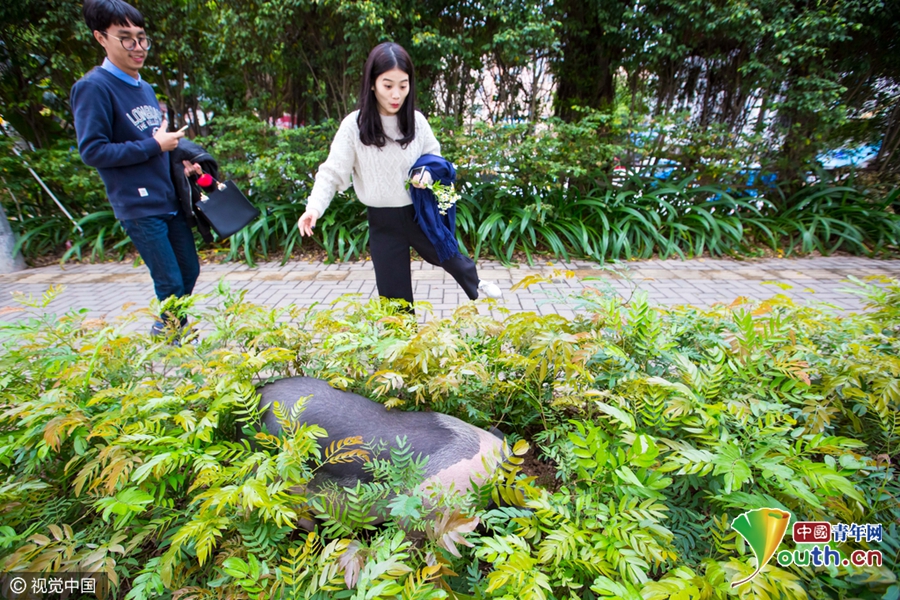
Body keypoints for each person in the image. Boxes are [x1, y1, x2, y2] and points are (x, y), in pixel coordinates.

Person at [296, 42, 502, 309]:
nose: (396, 94)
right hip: (382, 222)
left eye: (403, 86)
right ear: (372, 83)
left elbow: (435, 162)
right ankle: (403, 348)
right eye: (388, 85)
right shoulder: (354, 127)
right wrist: (314, 208)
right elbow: (332, 172)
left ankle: (475, 282)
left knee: (446, 252)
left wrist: (425, 175)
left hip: (418, 212)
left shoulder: (417, 122)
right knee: (395, 303)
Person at [71, 0, 204, 337]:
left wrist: (178, 160)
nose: (138, 47)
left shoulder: (143, 86)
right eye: (126, 38)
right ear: (101, 38)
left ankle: (168, 328)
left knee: (189, 269)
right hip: (137, 203)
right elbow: (93, 150)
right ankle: (172, 336)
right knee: (170, 280)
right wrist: (154, 146)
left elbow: (151, 141)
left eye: (142, 38)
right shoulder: (93, 87)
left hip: (168, 196)